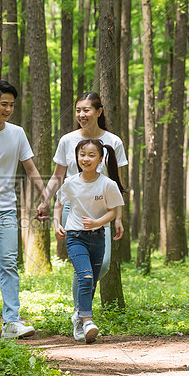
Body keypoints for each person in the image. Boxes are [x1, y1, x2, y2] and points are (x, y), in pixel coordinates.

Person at [37, 92, 128, 336]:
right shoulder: (68, 140)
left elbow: (117, 182)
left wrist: (118, 216)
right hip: (73, 207)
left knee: (104, 265)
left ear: (99, 112)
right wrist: (45, 201)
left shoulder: (114, 142)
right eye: (78, 110)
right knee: (84, 270)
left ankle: (80, 309)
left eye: (86, 110)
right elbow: (58, 177)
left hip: (102, 211)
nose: (81, 115)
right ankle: (82, 316)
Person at [0, 81, 50, 339]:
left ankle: (11, 322)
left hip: (5, 209)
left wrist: (45, 197)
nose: (9, 109)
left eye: (12, 104)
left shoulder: (17, 133)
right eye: (4, 104)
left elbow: (31, 169)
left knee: (9, 264)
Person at [54, 138, 125, 342]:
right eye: (82, 154)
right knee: (85, 277)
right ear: (77, 158)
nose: (86, 159)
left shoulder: (108, 184)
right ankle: (87, 320)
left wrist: (97, 222)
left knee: (91, 281)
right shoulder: (71, 182)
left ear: (101, 159)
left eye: (91, 155)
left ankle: (78, 316)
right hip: (75, 236)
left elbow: (113, 212)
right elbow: (59, 202)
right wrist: (56, 223)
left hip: (98, 237)